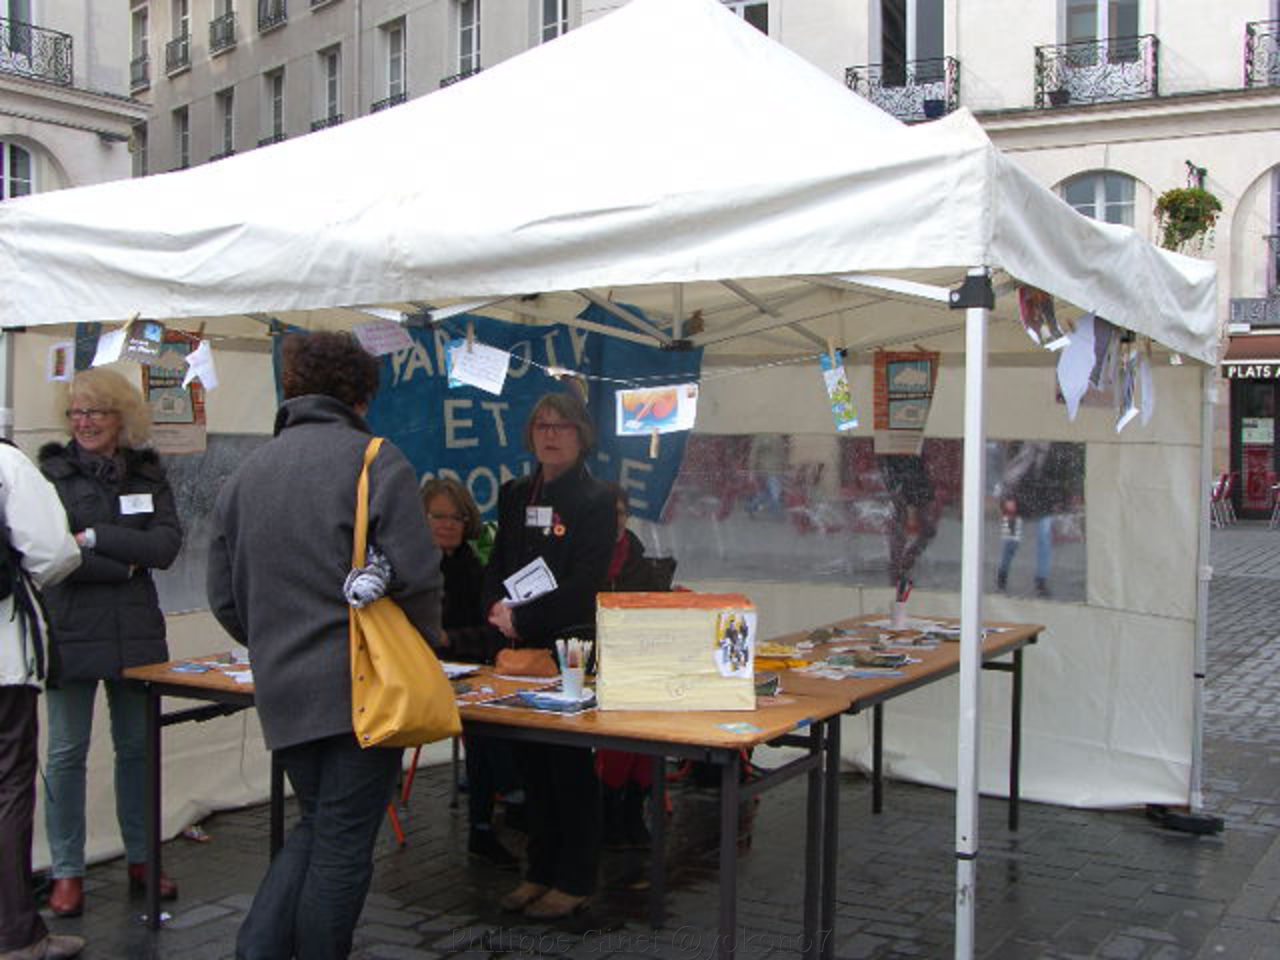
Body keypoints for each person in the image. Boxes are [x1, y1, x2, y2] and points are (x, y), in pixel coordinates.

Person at [207, 332, 443, 960]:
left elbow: (226, 600)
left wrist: (275, 641)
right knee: (341, 845)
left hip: (283, 690)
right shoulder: (374, 459)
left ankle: (258, 948)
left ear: (291, 388)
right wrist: (421, 648)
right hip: (365, 689)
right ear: (362, 395)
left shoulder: (244, 476)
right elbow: (417, 574)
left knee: (322, 826)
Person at [38, 369, 184, 918]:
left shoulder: (147, 473)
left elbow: (167, 546)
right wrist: (124, 563)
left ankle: (144, 857)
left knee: (138, 750)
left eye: (97, 411)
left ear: (122, 418)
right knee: (67, 753)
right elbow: (50, 554)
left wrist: (96, 539)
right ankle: (67, 871)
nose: (85, 422)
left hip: (137, 633)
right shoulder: (49, 474)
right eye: (77, 412)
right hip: (70, 629)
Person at [484, 391, 615, 920]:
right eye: (542, 425)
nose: (551, 434)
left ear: (581, 435)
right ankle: (538, 869)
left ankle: (576, 876)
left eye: (562, 426)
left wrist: (526, 619)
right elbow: (498, 559)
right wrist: (495, 608)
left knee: (567, 766)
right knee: (530, 765)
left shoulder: (597, 499)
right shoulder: (516, 493)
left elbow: (585, 582)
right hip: (516, 646)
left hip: (568, 646)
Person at [0, 441, 84, 960]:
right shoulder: (7, 465)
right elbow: (55, 552)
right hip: (3, 661)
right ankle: (14, 934)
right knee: (8, 787)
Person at [419, 476, 521, 869]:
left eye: (457, 517)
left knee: (493, 710)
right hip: (416, 677)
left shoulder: (475, 570)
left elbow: (490, 633)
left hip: (466, 669)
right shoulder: (407, 571)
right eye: (437, 516)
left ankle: (487, 822)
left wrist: (450, 638)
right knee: (484, 719)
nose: (448, 524)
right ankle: (510, 799)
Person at [597, 484, 675, 850]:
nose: (614, 519)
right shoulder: (582, 555)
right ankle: (615, 806)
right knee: (627, 719)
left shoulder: (638, 558)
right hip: (589, 657)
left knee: (645, 719)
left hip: (631, 659)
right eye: (608, 512)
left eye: (620, 512)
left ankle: (628, 804)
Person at [995, 441, 1075, 598]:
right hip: (1017, 500)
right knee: (1011, 541)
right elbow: (1011, 472)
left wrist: (1061, 500)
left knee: (1043, 538)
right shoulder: (1023, 445)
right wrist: (1009, 497)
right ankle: (1002, 574)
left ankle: (1041, 581)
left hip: (1043, 501)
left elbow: (1060, 475)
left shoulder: (1055, 448)